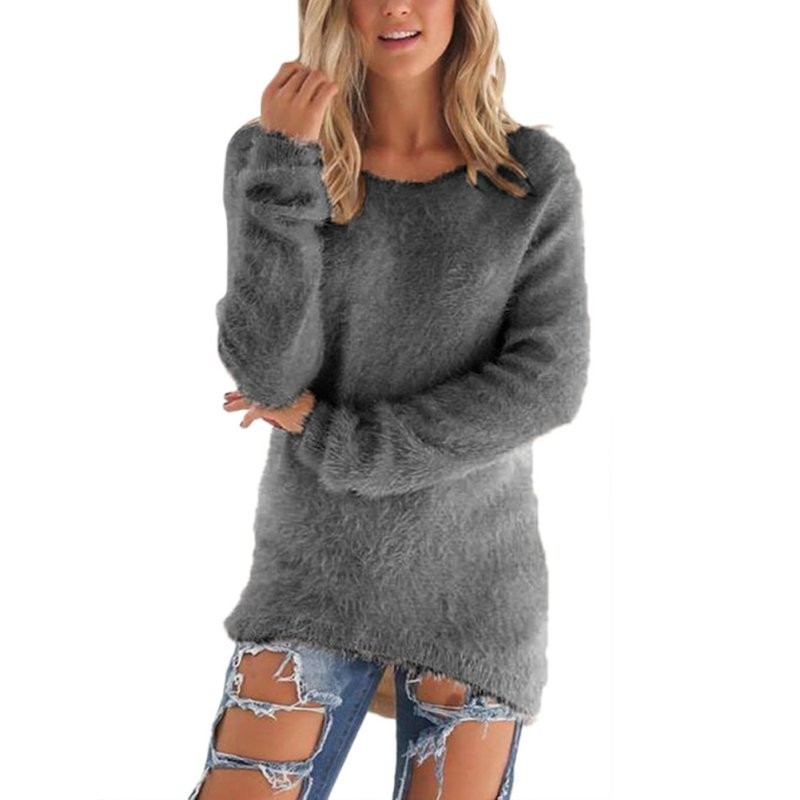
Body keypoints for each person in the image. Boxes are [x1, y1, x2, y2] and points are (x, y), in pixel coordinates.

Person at [190, 0, 590, 798]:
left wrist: (338, 438)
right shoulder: (271, 154)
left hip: (474, 590)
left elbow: (548, 382)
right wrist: (287, 162)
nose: (395, 5)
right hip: (310, 575)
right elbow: (267, 370)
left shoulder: (529, 174)